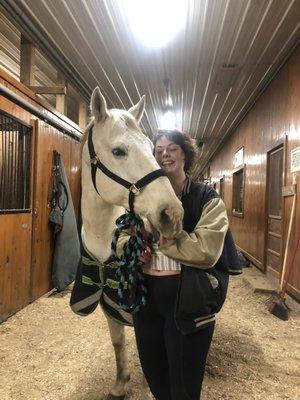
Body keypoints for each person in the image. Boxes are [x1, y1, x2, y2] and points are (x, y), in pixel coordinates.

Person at [131, 129, 232, 400]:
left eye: (172, 148)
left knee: (185, 386)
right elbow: (124, 237)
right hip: (147, 300)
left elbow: (206, 250)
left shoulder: (206, 198)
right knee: (156, 377)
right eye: (159, 150)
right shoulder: (140, 197)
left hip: (189, 299)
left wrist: (166, 244)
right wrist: (134, 250)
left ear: (185, 154)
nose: (165, 154)